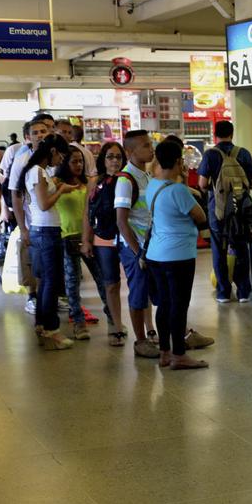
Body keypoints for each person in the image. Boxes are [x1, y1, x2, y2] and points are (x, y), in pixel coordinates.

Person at [145, 140, 210, 370]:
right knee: (179, 305)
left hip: (155, 255)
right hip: (179, 255)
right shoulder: (178, 190)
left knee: (163, 304)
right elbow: (200, 215)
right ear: (178, 161)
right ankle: (180, 355)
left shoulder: (153, 185)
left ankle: (164, 352)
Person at [20, 135, 77, 351]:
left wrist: (58, 186)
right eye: (61, 155)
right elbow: (43, 205)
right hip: (46, 232)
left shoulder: (38, 171)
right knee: (52, 282)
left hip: (44, 231)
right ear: (53, 151)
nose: (61, 160)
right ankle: (52, 329)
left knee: (46, 281)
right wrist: (61, 190)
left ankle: (42, 325)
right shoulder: (37, 171)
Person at [197, 120, 252, 303]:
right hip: (240, 211)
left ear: (215, 134)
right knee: (241, 249)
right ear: (232, 133)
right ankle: (244, 292)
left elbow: (201, 184)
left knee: (219, 250)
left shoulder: (210, 155)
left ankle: (223, 292)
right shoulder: (243, 153)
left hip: (218, 210)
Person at [53, 148, 109, 341]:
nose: (78, 165)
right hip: (66, 236)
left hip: (89, 237)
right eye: (74, 162)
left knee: (102, 279)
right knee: (72, 282)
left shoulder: (89, 183)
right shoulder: (56, 183)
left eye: (80, 162)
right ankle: (78, 322)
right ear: (64, 163)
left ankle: (112, 317)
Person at [115, 130, 160, 358]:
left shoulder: (146, 176)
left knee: (152, 292)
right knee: (138, 293)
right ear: (130, 151)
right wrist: (138, 252)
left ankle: (154, 333)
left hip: (151, 246)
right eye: (145, 146)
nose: (151, 149)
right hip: (135, 248)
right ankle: (140, 341)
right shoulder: (126, 179)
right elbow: (122, 222)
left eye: (150, 144)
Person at [84, 142, 129, 347]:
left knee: (137, 281)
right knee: (111, 283)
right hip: (103, 238)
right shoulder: (95, 182)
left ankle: (146, 328)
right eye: (110, 157)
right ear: (103, 159)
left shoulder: (128, 180)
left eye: (118, 157)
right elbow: (87, 213)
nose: (114, 161)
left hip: (127, 238)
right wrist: (86, 240)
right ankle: (116, 325)